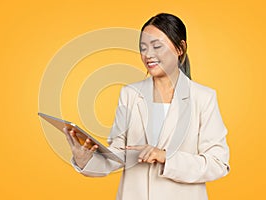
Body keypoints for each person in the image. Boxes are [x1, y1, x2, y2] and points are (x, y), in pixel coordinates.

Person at [63, 13, 230, 200]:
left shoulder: (203, 98)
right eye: (143, 48)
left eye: (157, 46)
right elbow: (119, 155)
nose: (148, 55)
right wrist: (84, 159)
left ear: (180, 48)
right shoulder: (130, 94)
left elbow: (218, 164)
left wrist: (166, 157)